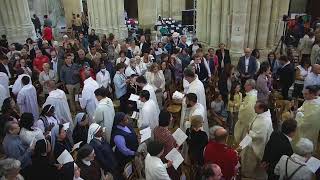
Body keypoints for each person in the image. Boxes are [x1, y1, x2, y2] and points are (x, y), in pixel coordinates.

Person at [240, 101, 273, 179]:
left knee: (253, 162)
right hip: (251, 141)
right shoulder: (261, 115)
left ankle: (251, 175)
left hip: (257, 145)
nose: (254, 108)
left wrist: (250, 133)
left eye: (255, 107)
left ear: (261, 109)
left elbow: (260, 135)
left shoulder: (264, 120)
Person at [181, 67, 208, 135]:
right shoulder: (199, 82)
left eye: (186, 78)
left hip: (194, 113)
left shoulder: (193, 89)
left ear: (189, 77)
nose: (186, 80)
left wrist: (183, 99)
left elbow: (189, 103)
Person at [234, 79, 257, 143]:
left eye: (245, 85)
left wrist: (241, 107)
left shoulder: (252, 96)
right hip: (249, 121)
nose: (244, 86)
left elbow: (248, 110)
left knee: (245, 140)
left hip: (248, 122)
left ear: (250, 86)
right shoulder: (251, 94)